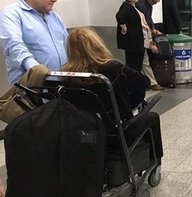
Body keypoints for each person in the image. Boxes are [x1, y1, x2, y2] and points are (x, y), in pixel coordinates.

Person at [60, 27, 163, 162]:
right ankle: (155, 162)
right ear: (97, 45)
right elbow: (144, 82)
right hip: (116, 134)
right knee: (152, 117)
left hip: (81, 135)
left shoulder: (64, 76)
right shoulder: (113, 68)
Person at [0, 0, 68, 85]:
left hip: (61, 85)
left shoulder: (54, 17)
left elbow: (68, 45)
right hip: (32, 89)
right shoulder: (11, 14)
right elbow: (14, 46)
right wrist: (37, 70)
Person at [115, 0, 164, 91]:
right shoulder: (127, 6)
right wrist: (124, 28)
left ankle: (139, 85)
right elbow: (119, 16)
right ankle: (135, 86)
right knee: (134, 65)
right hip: (133, 43)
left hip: (138, 41)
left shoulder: (133, 6)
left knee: (139, 64)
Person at [135, 0, 165, 91]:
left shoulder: (149, 4)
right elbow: (145, 22)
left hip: (145, 35)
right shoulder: (140, 4)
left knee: (144, 60)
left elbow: (149, 19)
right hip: (140, 36)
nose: (155, 4)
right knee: (144, 60)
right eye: (154, 1)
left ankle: (146, 82)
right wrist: (151, 42)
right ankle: (151, 83)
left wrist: (153, 29)